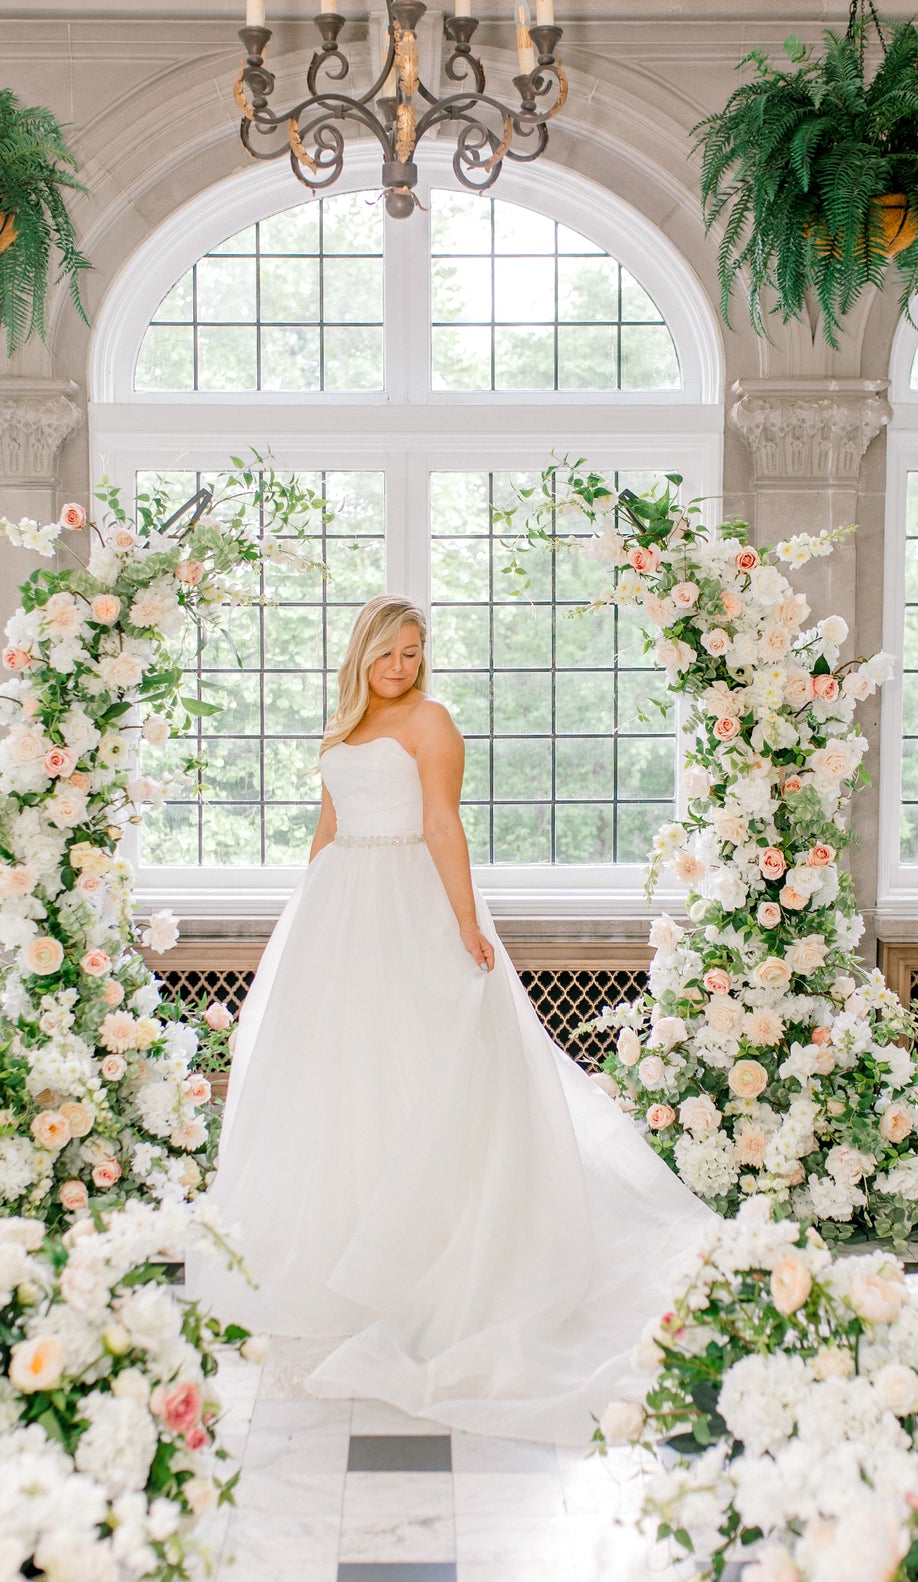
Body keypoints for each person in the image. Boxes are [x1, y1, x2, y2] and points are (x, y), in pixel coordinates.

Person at [197, 594, 715, 1444]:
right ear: (360, 653)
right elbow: (326, 832)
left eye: (412, 653)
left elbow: (441, 822)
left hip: (410, 899)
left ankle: (431, 1252)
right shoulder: (340, 731)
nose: (401, 667)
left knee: (422, 1064)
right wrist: (304, 924)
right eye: (388, 653)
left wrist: (466, 922)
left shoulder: (432, 723)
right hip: (341, 910)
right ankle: (338, 1260)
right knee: (338, 1080)